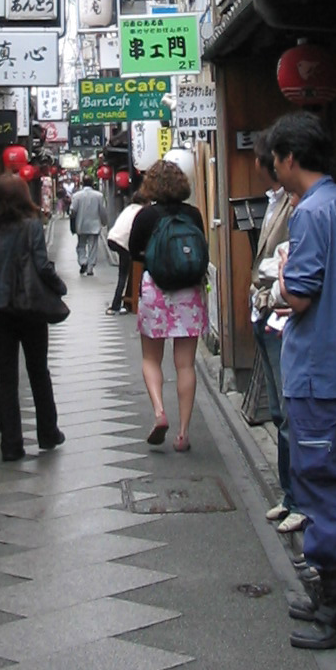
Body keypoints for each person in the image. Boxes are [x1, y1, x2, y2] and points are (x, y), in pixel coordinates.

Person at [266, 111, 336, 650]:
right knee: (328, 472)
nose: (273, 167)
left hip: (317, 367)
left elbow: (301, 296)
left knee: (320, 477)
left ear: (290, 157)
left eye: (274, 158)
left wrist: (282, 276)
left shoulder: (310, 213)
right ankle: (335, 593)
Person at [0, 172, 66, 461]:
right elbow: (41, 265)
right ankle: (47, 432)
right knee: (38, 371)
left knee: (6, 378)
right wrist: (59, 286)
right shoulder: (32, 226)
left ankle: (11, 444)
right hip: (30, 309)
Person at [127, 159, 208, 453]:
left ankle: (160, 412)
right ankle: (184, 433)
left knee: (151, 358)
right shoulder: (194, 214)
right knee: (185, 364)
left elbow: (134, 252)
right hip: (189, 291)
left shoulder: (146, 216)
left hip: (156, 291)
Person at [250, 136, 303, 534]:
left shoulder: (297, 203)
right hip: (266, 313)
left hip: (280, 313)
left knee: (290, 413)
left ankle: (299, 498)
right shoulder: (273, 201)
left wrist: (267, 294)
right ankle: (289, 494)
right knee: (278, 410)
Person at [69, 174, 107, 274]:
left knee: (81, 245)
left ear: (82, 183)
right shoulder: (99, 196)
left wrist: (72, 223)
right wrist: (104, 221)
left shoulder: (77, 196)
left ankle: (83, 261)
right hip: (94, 224)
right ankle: (90, 267)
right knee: (93, 246)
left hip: (81, 224)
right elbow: (102, 210)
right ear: (92, 183)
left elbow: (73, 210)